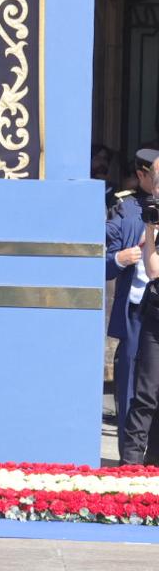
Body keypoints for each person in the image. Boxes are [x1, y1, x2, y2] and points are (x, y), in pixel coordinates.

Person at [110, 148, 158, 460]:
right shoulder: (126, 209)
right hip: (137, 312)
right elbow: (95, 255)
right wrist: (119, 258)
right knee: (135, 392)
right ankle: (128, 465)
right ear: (142, 175)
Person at [127, 165, 159, 466]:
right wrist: (151, 229)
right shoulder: (153, 220)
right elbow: (154, 270)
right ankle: (131, 469)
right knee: (145, 393)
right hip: (156, 313)